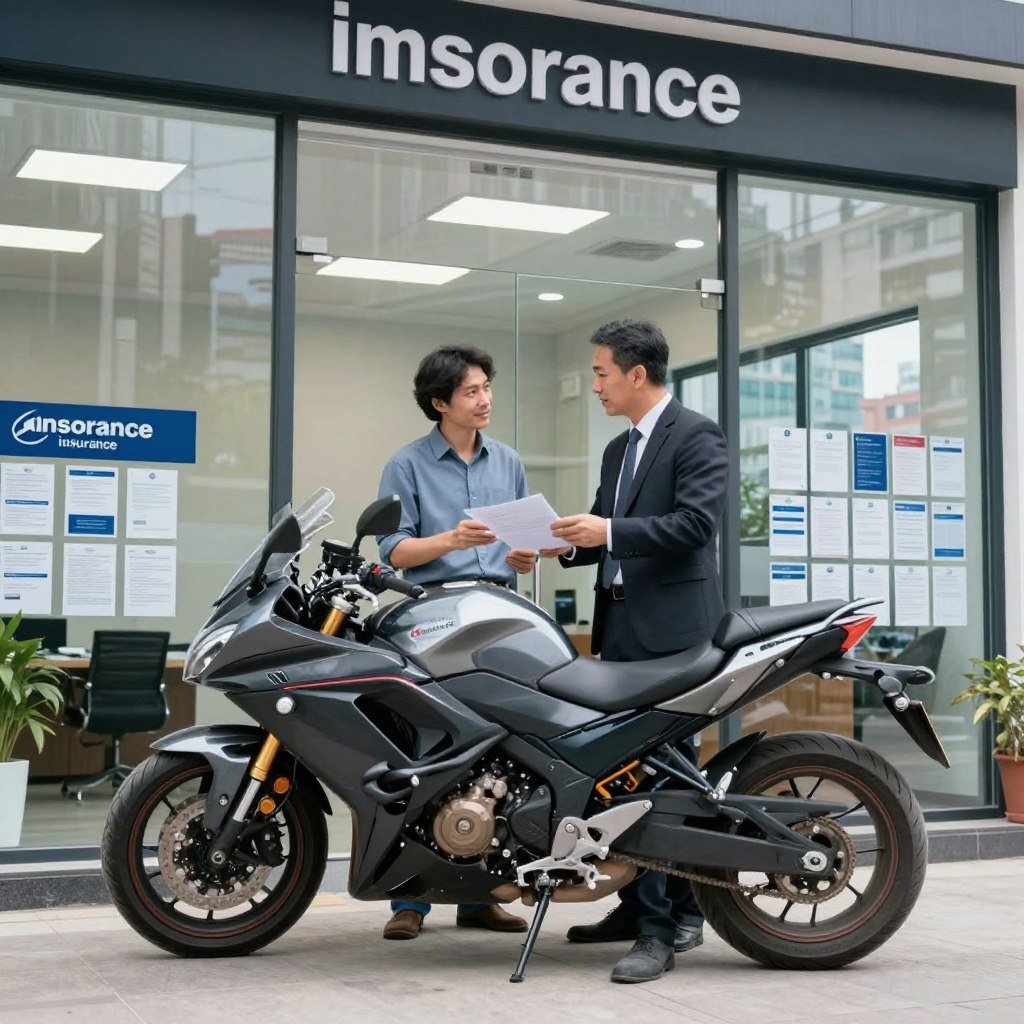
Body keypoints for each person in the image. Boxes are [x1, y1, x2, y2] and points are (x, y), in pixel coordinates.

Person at [543, 318, 728, 984]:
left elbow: (694, 526)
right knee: (620, 775)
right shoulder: (619, 452)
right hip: (618, 632)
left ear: (636, 375)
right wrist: (560, 542)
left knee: (664, 780)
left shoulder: (697, 435)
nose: (594, 385)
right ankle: (644, 907)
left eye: (600, 372)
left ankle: (662, 930)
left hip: (674, 637)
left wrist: (608, 528)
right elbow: (603, 533)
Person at [375, 344, 536, 940]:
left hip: (498, 613)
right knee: (424, 750)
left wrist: (522, 553)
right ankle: (410, 900)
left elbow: (522, 544)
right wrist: (449, 541)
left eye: (487, 386)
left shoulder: (508, 461)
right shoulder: (407, 465)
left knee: (499, 752)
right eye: (471, 391)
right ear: (439, 403)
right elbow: (392, 552)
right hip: (432, 617)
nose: (485, 398)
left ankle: (481, 895)